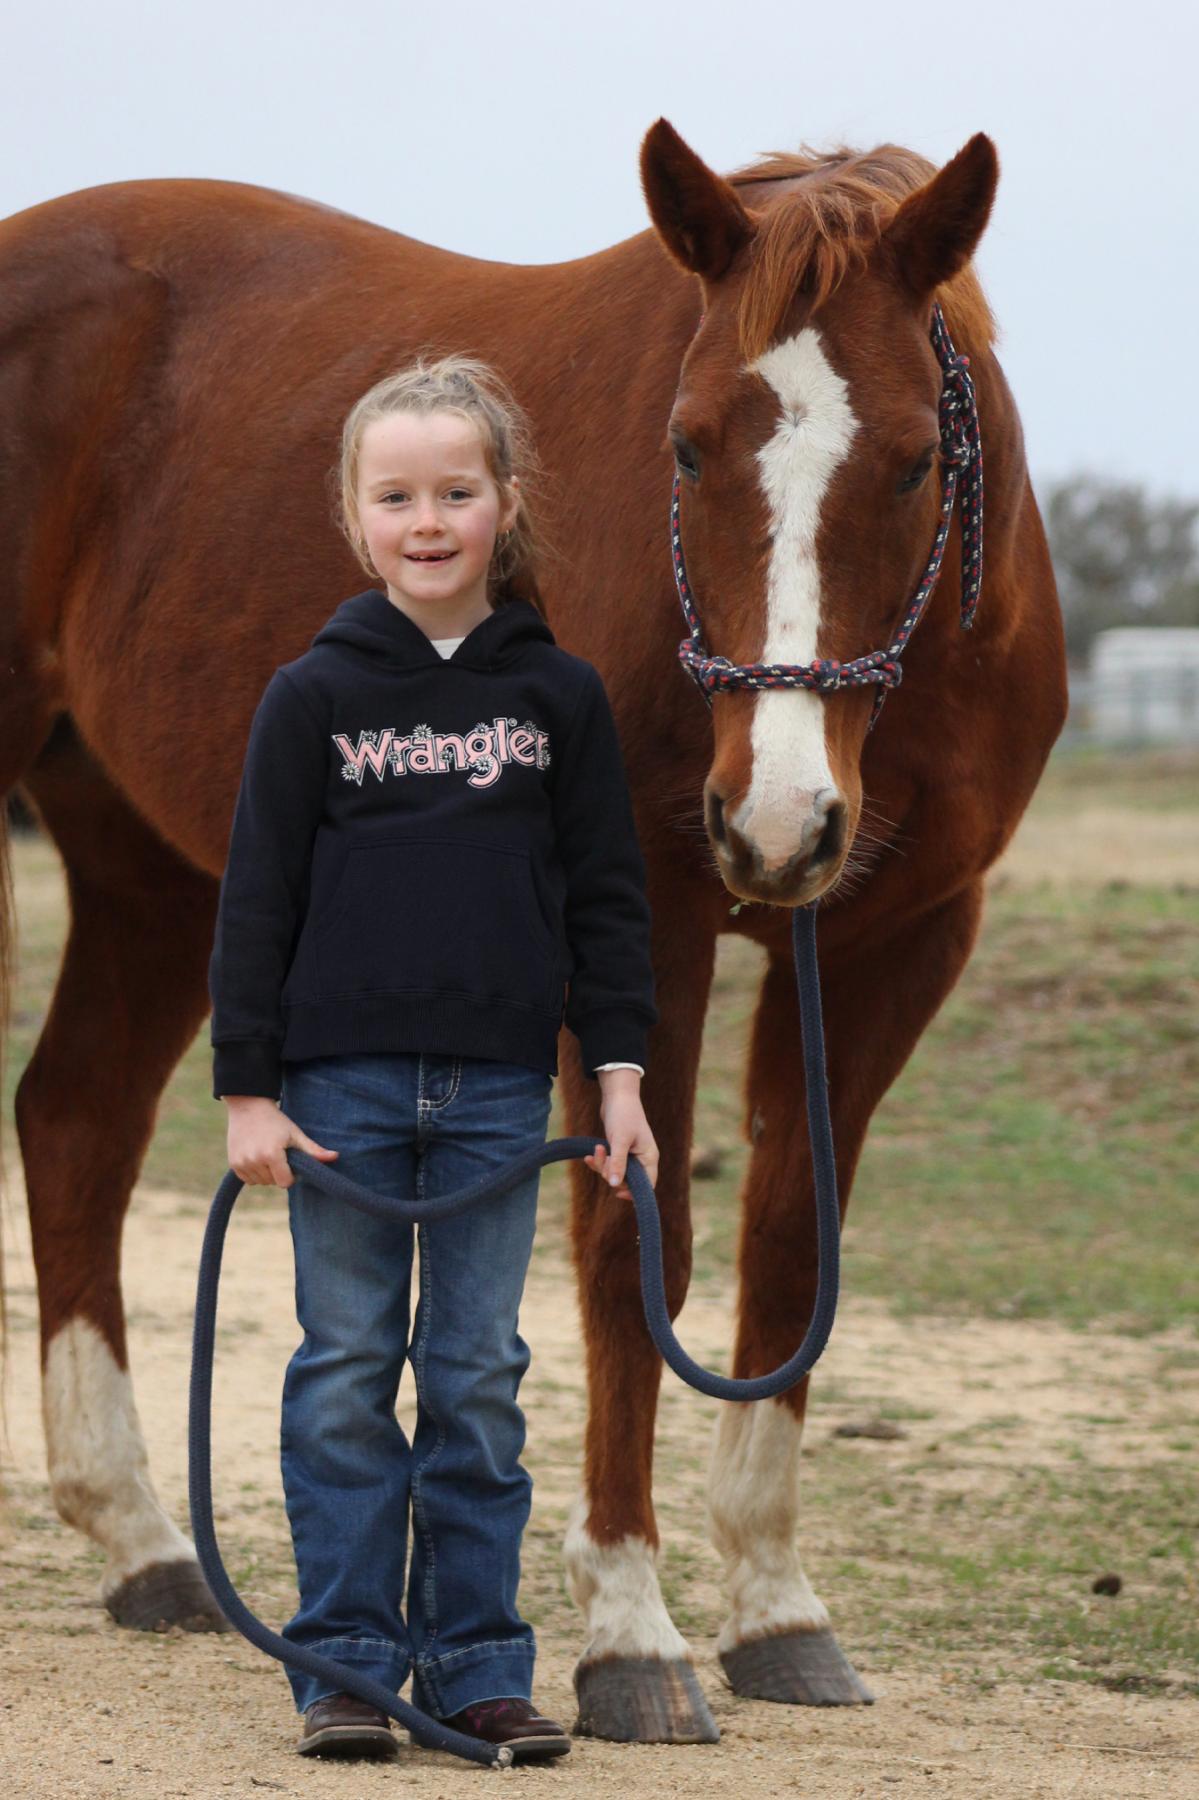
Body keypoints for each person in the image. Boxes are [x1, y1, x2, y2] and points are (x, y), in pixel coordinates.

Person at [208, 355, 659, 1764]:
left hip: (496, 1101)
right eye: (395, 494)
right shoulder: (312, 696)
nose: (426, 519)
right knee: (346, 1370)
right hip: (335, 1093)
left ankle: (475, 1663)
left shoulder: (561, 699)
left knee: (475, 1377)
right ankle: (346, 1664)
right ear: (356, 518)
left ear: (501, 506)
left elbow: (608, 901)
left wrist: (621, 1079)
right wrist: (248, 1093)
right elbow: (256, 901)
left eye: (454, 492)